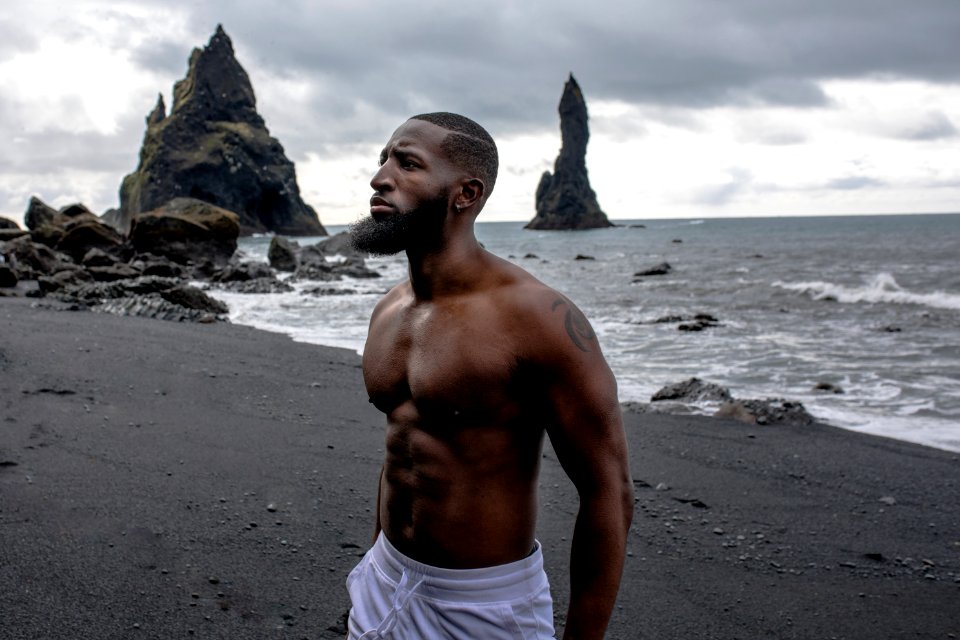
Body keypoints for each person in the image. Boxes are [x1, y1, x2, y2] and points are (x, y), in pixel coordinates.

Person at [346, 112, 633, 639]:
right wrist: (373, 564)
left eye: (407, 164)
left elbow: (607, 491)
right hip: (383, 579)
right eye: (383, 159)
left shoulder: (538, 321)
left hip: (483, 606)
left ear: (465, 194)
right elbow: (401, 451)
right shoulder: (390, 309)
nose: (380, 177)